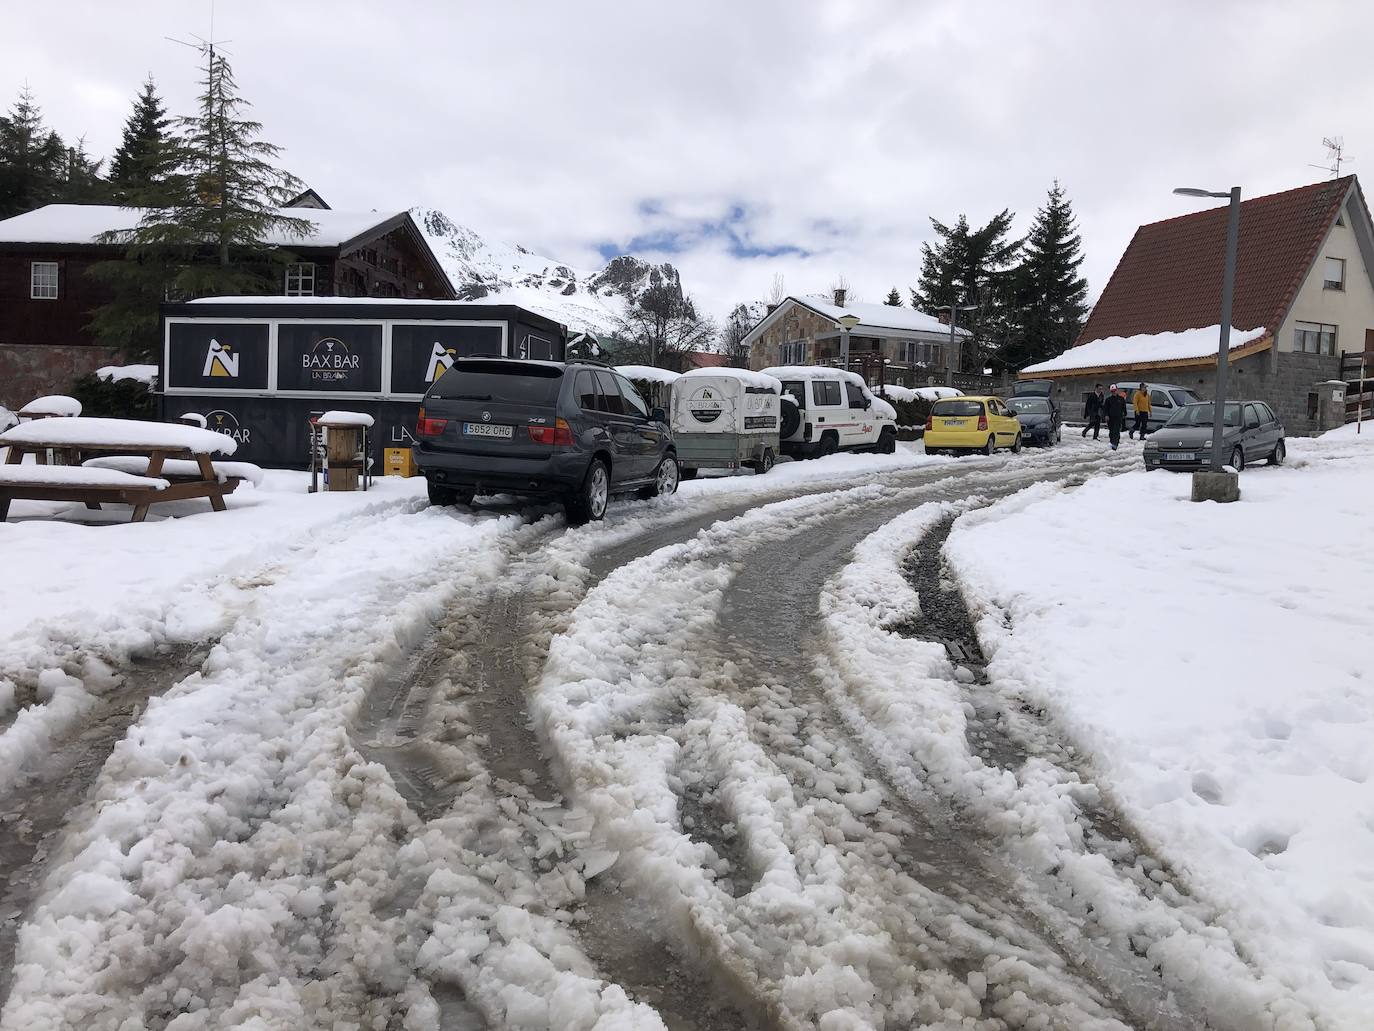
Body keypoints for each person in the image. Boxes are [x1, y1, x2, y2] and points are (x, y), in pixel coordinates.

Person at [1103, 386, 1128, 450]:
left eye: (1115, 390)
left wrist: (1125, 413)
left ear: (1117, 390)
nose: (1114, 392)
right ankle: (1112, 441)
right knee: (1111, 431)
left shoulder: (1121, 399)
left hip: (1118, 417)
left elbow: (1124, 407)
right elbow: (1105, 409)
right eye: (1112, 391)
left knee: (1116, 431)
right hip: (1110, 418)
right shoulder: (1108, 399)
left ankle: (1115, 443)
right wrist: (1106, 415)